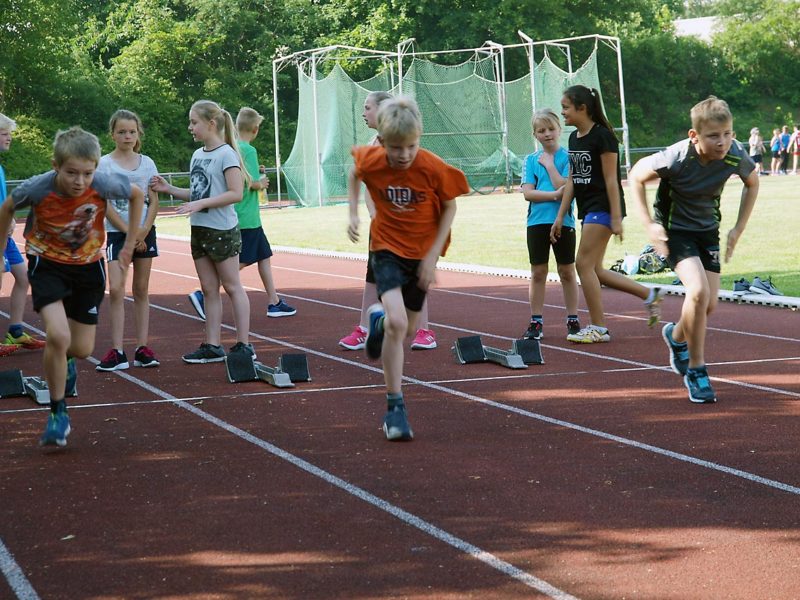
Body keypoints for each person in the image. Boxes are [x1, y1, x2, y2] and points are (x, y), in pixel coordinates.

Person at [0, 126, 144, 446]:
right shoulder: (38, 188)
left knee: (81, 349)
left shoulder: (104, 183)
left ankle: (66, 362)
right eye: (71, 173)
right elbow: (7, 207)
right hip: (47, 265)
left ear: (96, 169)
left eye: (87, 173)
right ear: (56, 166)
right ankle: (57, 412)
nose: (80, 181)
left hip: (88, 269)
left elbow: (136, 196)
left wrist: (129, 243)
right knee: (58, 335)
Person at [347, 96, 467, 441]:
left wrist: (432, 257)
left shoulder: (432, 167)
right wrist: (353, 211)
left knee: (409, 328)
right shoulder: (372, 159)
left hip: (421, 253)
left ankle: (379, 322)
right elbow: (354, 172)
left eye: (411, 147)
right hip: (385, 247)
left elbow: (450, 207)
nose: (403, 155)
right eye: (396, 148)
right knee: (400, 324)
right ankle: (395, 406)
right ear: (382, 142)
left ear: (420, 139)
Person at [628, 96, 758, 404]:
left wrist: (738, 228)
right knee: (697, 292)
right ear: (694, 135)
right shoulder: (676, 157)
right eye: (714, 136)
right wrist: (649, 224)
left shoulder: (734, 154)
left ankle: (675, 337)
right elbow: (635, 176)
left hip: (706, 232)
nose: (722, 142)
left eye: (727, 134)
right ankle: (697, 371)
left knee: (707, 305)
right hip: (675, 231)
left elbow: (752, 183)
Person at [550, 85, 663, 344]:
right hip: (587, 209)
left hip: (603, 207)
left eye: (566, 107)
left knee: (582, 265)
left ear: (583, 108)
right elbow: (573, 180)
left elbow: (612, 180)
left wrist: (615, 217)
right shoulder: (573, 139)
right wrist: (560, 216)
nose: (563, 112)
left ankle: (598, 328)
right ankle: (649, 295)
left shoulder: (603, 137)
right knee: (596, 270)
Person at [150, 100, 254, 364]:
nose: (190, 127)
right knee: (208, 289)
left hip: (222, 229)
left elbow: (236, 193)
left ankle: (244, 344)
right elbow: (198, 193)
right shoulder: (198, 155)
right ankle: (212, 344)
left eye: (194, 122)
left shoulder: (226, 154)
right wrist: (170, 189)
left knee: (232, 286)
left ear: (211, 123)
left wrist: (201, 203)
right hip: (200, 229)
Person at [339, 91, 438, 353]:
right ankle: (366, 327)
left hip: (409, 223)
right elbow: (364, 181)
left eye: (368, 107)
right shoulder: (374, 144)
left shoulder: (399, 142)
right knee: (374, 277)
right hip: (384, 224)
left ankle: (422, 330)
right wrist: (364, 214)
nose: (364, 113)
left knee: (415, 276)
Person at [186, 107, 297, 321]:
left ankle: (273, 301)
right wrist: (261, 182)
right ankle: (203, 293)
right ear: (255, 129)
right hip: (247, 216)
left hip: (241, 215)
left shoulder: (230, 147)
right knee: (240, 263)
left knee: (264, 254)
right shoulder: (246, 150)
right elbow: (249, 183)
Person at [96, 109, 161, 372]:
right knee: (117, 290)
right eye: (122, 132)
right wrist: (130, 234)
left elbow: (154, 200)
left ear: (138, 133)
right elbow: (105, 204)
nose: (127, 136)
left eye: (132, 132)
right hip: (117, 234)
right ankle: (117, 350)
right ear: (112, 134)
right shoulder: (104, 164)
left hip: (145, 233)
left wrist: (142, 232)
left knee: (142, 290)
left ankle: (142, 348)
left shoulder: (147, 163)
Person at [520, 108, 580, 341]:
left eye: (551, 129)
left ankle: (573, 319)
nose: (547, 134)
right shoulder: (530, 160)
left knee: (566, 270)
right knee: (538, 271)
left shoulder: (568, 157)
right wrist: (556, 195)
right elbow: (528, 193)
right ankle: (536, 321)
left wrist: (551, 165)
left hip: (564, 221)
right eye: (541, 131)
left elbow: (567, 186)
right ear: (535, 134)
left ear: (559, 130)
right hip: (537, 222)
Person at [0, 113, 43, 356]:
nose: (10, 138)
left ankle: (15, 330)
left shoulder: (1, 168)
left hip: (4, 236)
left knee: (23, 277)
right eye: (5, 134)